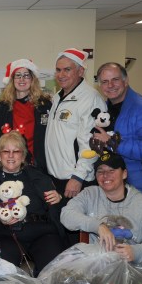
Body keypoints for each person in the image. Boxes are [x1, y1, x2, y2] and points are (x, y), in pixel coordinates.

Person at [61, 152, 142, 284]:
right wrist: (97, 225)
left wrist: (136, 251)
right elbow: (66, 215)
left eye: (111, 170)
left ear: (124, 174)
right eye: (101, 171)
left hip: (133, 260)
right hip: (98, 261)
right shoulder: (90, 194)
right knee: (67, 279)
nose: (105, 176)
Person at [0, 131, 65, 276]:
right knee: (4, 271)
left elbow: (58, 207)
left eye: (16, 151)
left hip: (41, 232)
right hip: (6, 234)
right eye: (6, 151)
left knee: (53, 268)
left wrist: (59, 198)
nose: (11, 156)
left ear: (23, 156)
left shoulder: (38, 176)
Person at [94, 62, 142, 198]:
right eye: (105, 81)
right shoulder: (105, 110)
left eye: (115, 80)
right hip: (115, 186)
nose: (110, 85)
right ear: (100, 86)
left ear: (126, 81)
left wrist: (112, 143)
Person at [44, 48, 106, 200]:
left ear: (80, 72)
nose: (61, 75)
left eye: (67, 70)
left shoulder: (90, 99)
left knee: (76, 223)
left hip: (75, 180)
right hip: (56, 177)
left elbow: (93, 143)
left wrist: (78, 177)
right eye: (58, 70)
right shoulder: (58, 97)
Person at [0, 59, 52, 174]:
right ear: (12, 80)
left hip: (38, 166)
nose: (22, 79)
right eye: (18, 75)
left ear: (32, 79)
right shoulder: (2, 106)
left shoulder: (44, 105)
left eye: (26, 75)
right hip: (10, 164)